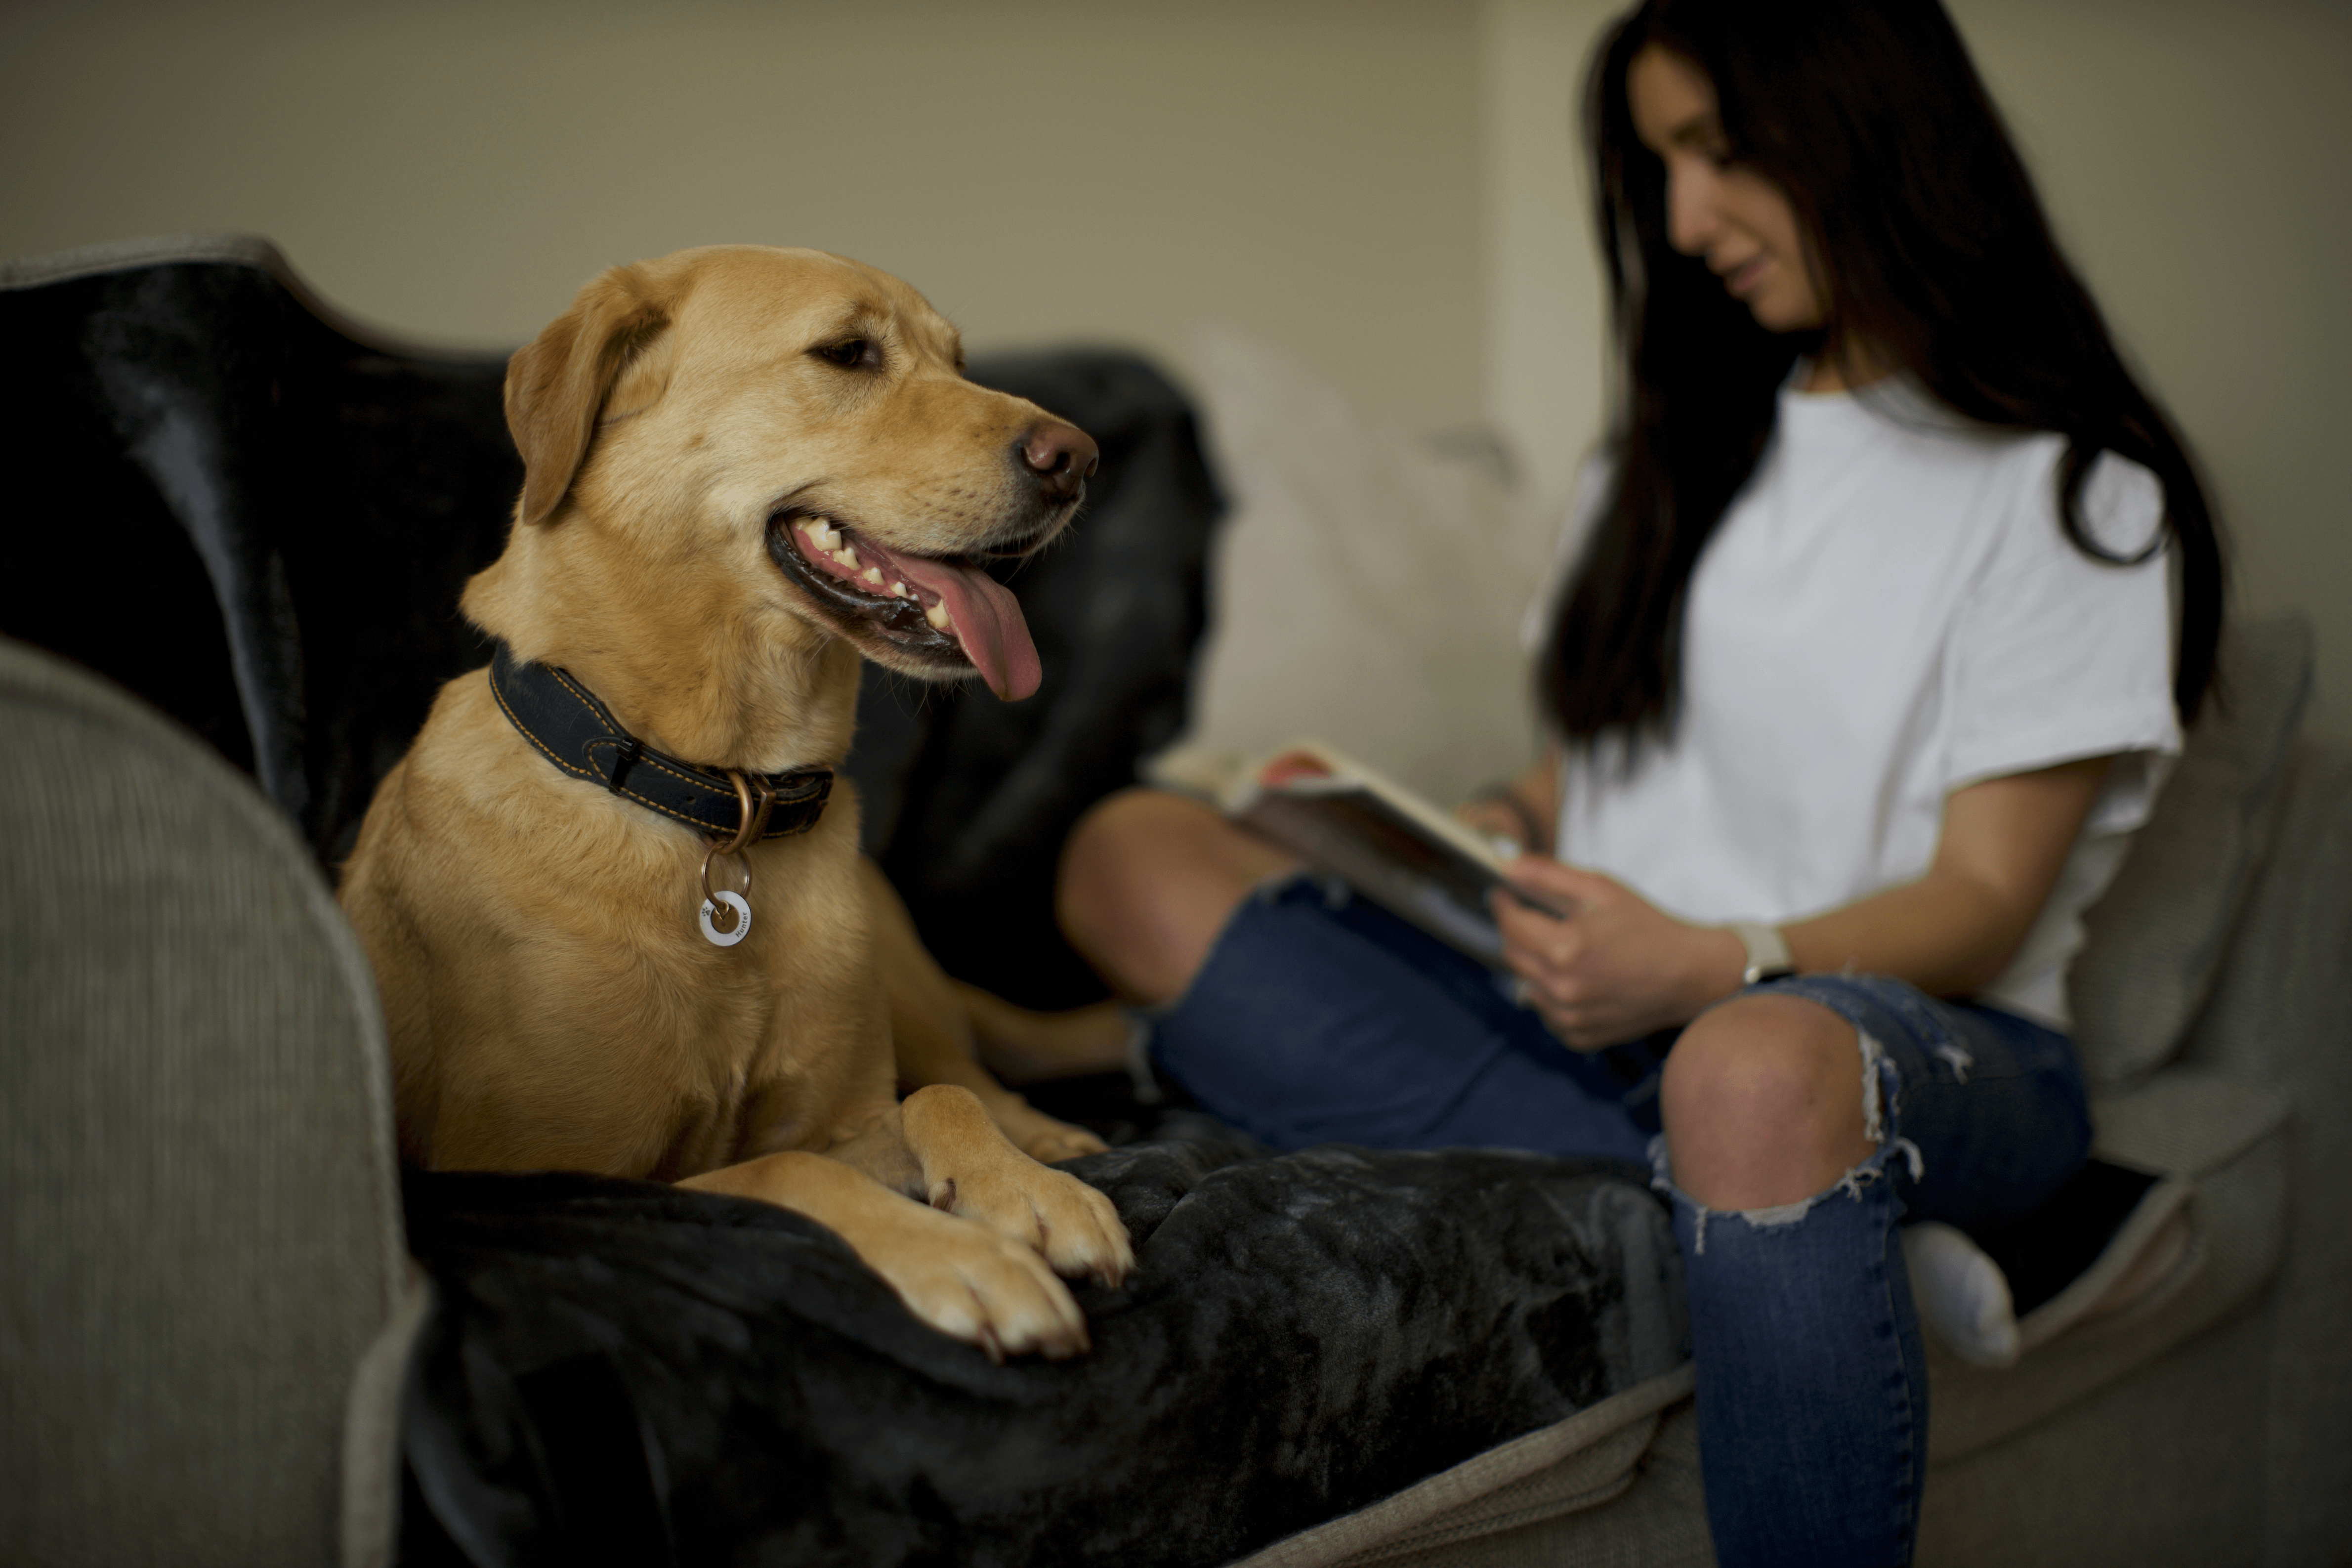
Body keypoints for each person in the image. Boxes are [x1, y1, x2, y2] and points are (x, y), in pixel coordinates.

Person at [1044, 1, 2226, 1564]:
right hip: (1584, 1010)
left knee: (1745, 1067)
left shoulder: (2070, 488)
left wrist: (1712, 961)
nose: (1683, 220)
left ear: (1876, 125)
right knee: (1131, 851)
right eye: (1659, 166)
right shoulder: (1667, 456)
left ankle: (1786, 1161)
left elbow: (1986, 901)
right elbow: (1583, 763)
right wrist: (1476, 837)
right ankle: (1803, 1221)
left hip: (1909, 1023)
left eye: (1720, 154)